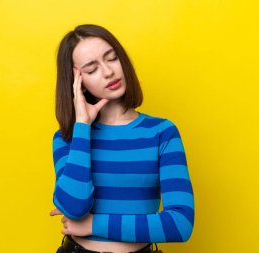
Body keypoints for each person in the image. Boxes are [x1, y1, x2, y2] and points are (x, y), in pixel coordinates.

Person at [50, 24, 194, 253]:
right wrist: (82, 127)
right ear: (77, 84)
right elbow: (75, 207)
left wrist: (91, 225)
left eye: (112, 58)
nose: (108, 72)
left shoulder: (162, 132)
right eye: (91, 69)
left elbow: (180, 224)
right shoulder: (68, 138)